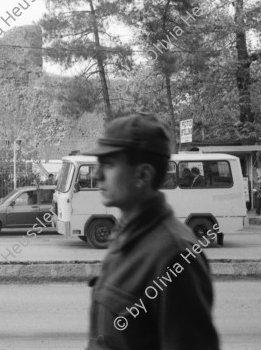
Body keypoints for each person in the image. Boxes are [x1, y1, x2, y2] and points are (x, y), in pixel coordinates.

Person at [82, 113, 219, 350]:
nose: (97, 175)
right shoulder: (126, 235)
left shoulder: (175, 255)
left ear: (143, 175)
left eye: (109, 164)